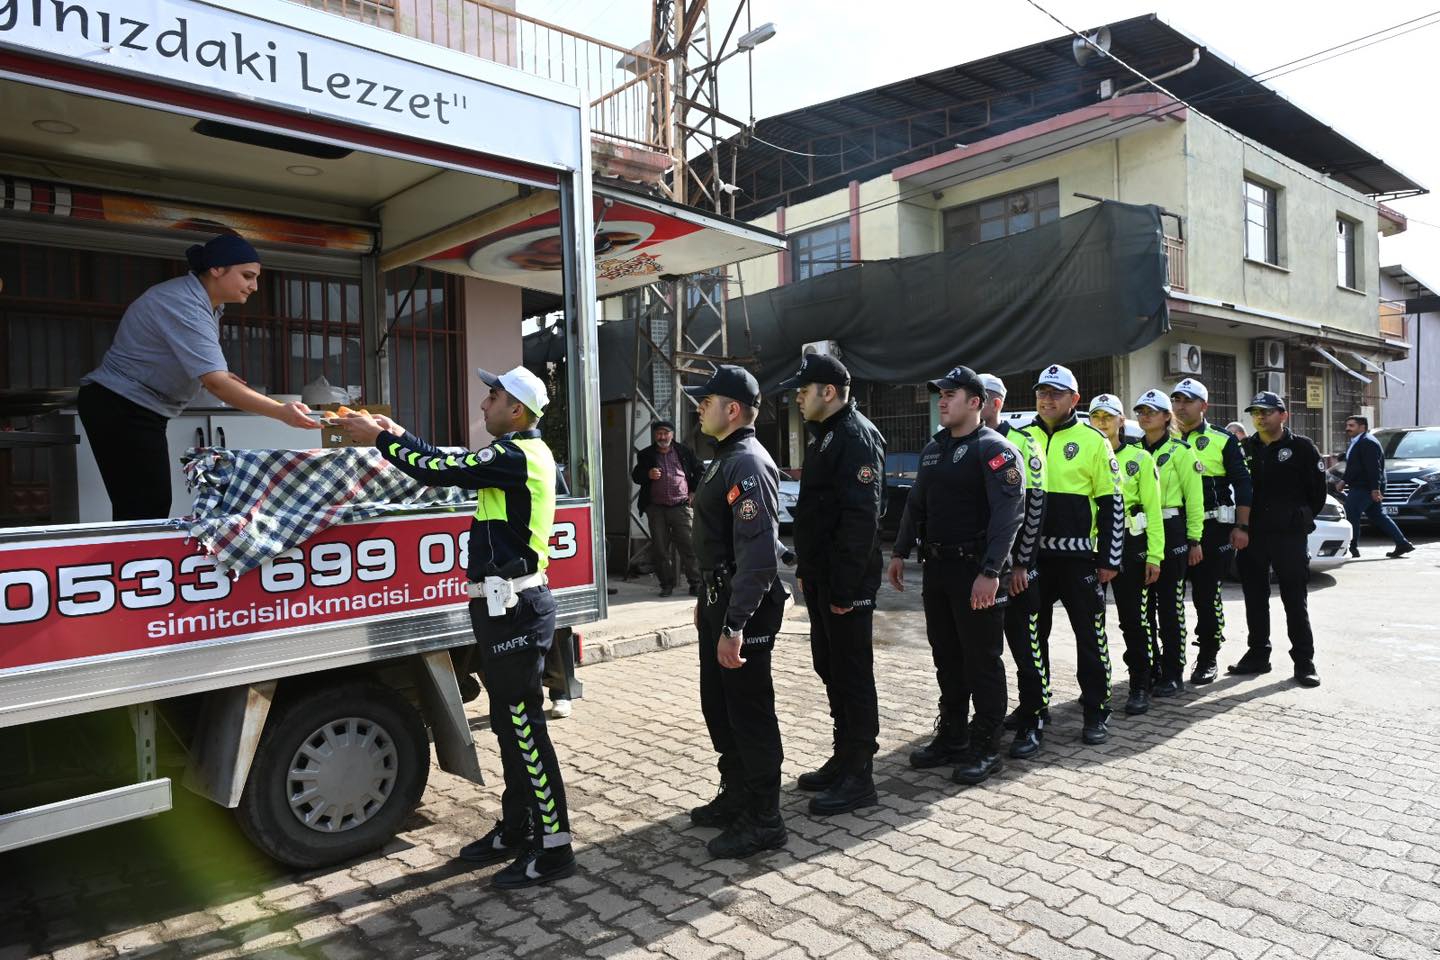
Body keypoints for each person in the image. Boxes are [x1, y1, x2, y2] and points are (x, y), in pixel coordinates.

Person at [338, 365, 575, 888]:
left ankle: (554, 845)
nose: (483, 404)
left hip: (515, 607)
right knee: (512, 728)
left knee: (524, 729)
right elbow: (451, 461)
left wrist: (378, 439)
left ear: (517, 410)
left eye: (492, 396)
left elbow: (439, 471)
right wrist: (401, 436)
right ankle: (517, 829)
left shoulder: (515, 455)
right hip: (501, 608)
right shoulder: (514, 456)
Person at [77, 234, 316, 520]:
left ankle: (139, 562)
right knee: (144, 509)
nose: (254, 286)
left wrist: (220, 375)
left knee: (147, 505)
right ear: (217, 269)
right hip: (121, 404)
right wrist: (280, 412)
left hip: (141, 407)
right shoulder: (183, 302)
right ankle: (132, 563)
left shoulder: (207, 304)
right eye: (247, 276)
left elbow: (203, 367)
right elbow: (216, 383)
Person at [889, 365, 1024, 785]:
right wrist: (898, 550)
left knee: (982, 660)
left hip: (975, 572)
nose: (943, 401)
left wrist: (991, 571)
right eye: (941, 394)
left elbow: (1009, 514)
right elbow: (916, 503)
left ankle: (986, 747)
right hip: (938, 570)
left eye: (952, 394)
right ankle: (952, 736)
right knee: (946, 657)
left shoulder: (994, 449)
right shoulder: (935, 448)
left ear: (977, 403)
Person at [683, 365, 791, 858]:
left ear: (732, 409)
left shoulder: (746, 462)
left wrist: (734, 624)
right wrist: (707, 605)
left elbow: (759, 556)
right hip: (720, 602)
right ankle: (738, 793)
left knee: (750, 712)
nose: (698, 408)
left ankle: (765, 819)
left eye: (706, 402)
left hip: (743, 610)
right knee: (720, 706)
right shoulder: (724, 457)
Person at [780, 354, 886, 815]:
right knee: (830, 666)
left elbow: (862, 520)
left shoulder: (856, 435)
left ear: (828, 391)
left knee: (852, 673)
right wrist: (808, 569)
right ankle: (844, 757)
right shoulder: (826, 435)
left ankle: (859, 774)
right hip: (824, 578)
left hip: (848, 583)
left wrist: (843, 587)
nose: (798, 398)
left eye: (804, 391)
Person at [1021, 364, 1124, 746]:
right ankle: (1034, 709)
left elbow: (1113, 504)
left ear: (1074, 399)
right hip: (1031, 561)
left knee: (1091, 637)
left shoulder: (1093, 440)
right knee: (1032, 636)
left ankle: (1097, 709)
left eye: (1056, 393)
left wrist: (1110, 559)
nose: (1047, 399)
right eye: (1042, 392)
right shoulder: (1021, 437)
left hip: (1079, 559)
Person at [1229, 392, 1325, 687]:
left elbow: (1317, 493)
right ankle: (1258, 654)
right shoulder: (1245, 448)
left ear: (1283, 415)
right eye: (1255, 412)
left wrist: (1299, 517)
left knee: (1294, 599)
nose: (1259, 417)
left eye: (1266, 412)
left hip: (1288, 536)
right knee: (1255, 598)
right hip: (1253, 536)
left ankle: (1304, 661)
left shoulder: (1302, 448)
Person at [976, 374, 1049, 762]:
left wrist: (1022, 563)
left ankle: (1034, 718)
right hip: (983, 569)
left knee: (1025, 646)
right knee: (987, 651)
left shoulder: (1023, 441)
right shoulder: (968, 442)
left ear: (995, 402)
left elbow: (1034, 507)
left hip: (1015, 571)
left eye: (981, 397)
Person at [1169, 378, 1252, 685]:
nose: (1180, 406)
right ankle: (1170, 661)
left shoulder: (1223, 440)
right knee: (1169, 597)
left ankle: (1208, 656)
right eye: (1176, 400)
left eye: (1187, 401)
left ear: (1203, 406)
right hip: (1173, 530)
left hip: (1213, 530)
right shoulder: (1162, 439)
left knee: (1206, 594)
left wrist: (1241, 526)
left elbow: (1244, 484)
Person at [1087, 395, 1163, 716]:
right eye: (1096, 416)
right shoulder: (1086, 455)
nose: (1103, 422)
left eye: (1109, 416)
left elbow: (1154, 510)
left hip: (1132, 549)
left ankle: (1140, 686)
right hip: (1093, 549)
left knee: (1134, 621)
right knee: (1092, 622)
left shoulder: (1140, 458)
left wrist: (1155, 555)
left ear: (1121, 421)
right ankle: (1098, 686)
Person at [1133, 389, 1205, 697]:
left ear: (1166, 417)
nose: (1145, 416)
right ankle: (1148, 666)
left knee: (1170, 605)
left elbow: (1195, 499)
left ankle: (1173, 671)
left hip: (1172, 528)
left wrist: (1194, 539)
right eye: (1141, 411)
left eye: (1152, 411)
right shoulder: (1132, 450)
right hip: (1140, 529)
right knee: (1142, 607)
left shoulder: (1181, 451)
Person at [632, 420, 704, 596]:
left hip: (681, 507)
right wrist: (647, 474)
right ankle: (666, 585)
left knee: (689, 547)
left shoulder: (685, 451)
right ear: (655, 435)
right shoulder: (646, 454)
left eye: (666, 433)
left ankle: (695, 583)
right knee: (661, 549)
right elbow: (636, 476)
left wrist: (694, 493)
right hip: (656, 509)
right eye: (659, 433)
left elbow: (700, 471)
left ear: (672, 434)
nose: (662, 437)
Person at [1340, 415, 1414, 559]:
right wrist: (1344, 481)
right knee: (1377, 515)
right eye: (1347, 425)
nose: (1347, 428)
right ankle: (1402, 543)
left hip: (1365, 487)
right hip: (1363, 485)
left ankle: (1352, 548)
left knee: (1351, 514)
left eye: (1351, 426)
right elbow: (1354, 466)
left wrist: (1375, 489)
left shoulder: (1368, 442)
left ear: (1362, 427)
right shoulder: (1357, 441)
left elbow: (1374, 468)